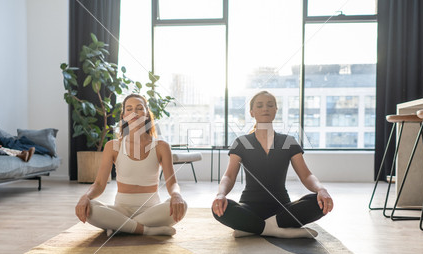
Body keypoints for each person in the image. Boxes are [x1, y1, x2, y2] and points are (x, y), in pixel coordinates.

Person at [212, 91, 333, 238]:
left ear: (276, 110)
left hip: (282, 209)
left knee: (317, 202)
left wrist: (321, 189)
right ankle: (277, 230)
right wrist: (221, 194)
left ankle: (254, 228)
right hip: (249, 207)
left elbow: (306, 175)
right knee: (220, 208)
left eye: (270, 105)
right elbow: (229, 176)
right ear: (251, 112)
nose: (265, 109)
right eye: (260, 105)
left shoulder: (288, 141)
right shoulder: (241, 142)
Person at [75, 94, 187, 237]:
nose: (134, 113)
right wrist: (85, 196)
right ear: (123, 115)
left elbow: (172, 183)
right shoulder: (112, 146)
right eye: (129, 109)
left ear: (146, 114)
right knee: (90, 208)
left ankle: (120, 226)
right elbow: (99, 184)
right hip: (121, 209)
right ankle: (147, 230)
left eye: (139, 108)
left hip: (151, 210)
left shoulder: (161, 146)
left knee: (183, 205)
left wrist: (176, 195)